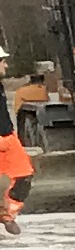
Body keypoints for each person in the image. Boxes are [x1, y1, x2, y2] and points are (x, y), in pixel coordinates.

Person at [0, 101, 28, 236]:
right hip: (5, 136)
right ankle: (6, 216)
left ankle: (7, 216)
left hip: (6, 135)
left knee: (22, 177)